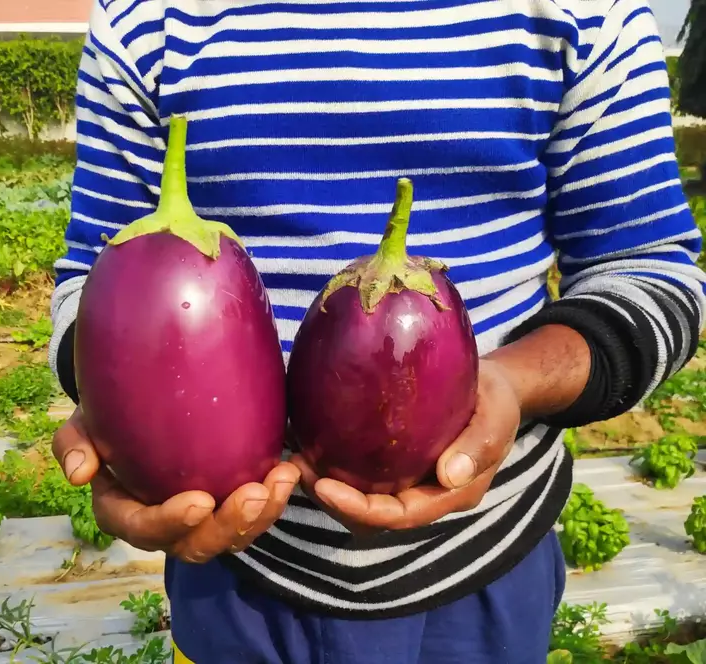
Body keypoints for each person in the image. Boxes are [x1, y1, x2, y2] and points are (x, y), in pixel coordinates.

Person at [49, 1, 706, 662]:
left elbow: (652, 272)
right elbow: (93, 278)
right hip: (234, 571)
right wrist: (114, 405)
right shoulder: (143, 19)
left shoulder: (586, 12)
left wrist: (513, 382)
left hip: (484, 562)